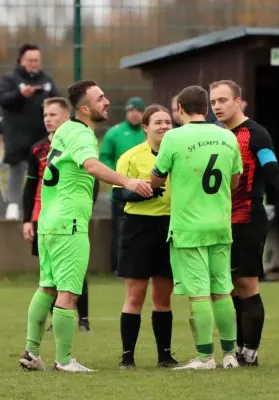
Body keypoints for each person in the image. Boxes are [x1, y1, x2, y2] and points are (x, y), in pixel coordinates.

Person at [18, 80, 152, 373]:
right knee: (68, 293)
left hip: (49, 221)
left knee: (47, 287)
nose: (106, 102)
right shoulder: (80, 133)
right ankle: (64, 361)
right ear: (84, 108)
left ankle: (32, 352)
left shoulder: (64, 130)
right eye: (100, 98)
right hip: (69, 223)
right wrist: (128, 180)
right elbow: (91, 166)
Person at [209, 80, 279, 366]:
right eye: (213, 101)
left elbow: (272, 169)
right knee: (226, 287)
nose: (217, 106)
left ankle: (250, 353)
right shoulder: (215, 136)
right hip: (218, 221)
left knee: (246, 285)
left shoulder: (256, 134)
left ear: (238, 101)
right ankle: (239, 348)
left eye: (222, 100)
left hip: (246, 218)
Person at [150, 85, 243, 370]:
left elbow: (156, 179)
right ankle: (230, 355)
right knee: (223, 290)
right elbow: (235, 181)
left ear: (179, 109)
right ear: (206, 107)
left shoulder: (174, 138)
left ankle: (205, 357)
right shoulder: (228, 136)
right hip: (220, 225)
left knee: (200, 294)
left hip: (189, 228)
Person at [21, 97, 96, 333]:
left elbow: (91, 183)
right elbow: (30, 186)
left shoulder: (70, 140)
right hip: (53, 216)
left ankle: (81, 318)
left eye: (52, 115)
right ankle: (60, 343)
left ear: (66, 116)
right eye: (45, 115)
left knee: (57, 280)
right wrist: (26, 219)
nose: (47, 120)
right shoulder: (40, 148)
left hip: (56, 217)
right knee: (53, 279)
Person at [114, 104, 179, 369]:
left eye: (168, 122)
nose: (164, 126)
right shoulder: (130, 157)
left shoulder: (178, 154)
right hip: (138, 228)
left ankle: (165, 356)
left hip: (170, 226)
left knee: (163, 297)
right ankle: (127, 357)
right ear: (145, 127)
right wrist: (139, 192)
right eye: (158, 122)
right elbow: (117, 194)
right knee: (135, 295)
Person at [0, 43, 60, 221]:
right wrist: (21, 94)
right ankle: (13, 205)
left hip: (41, 134)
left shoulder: (46, 80)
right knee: (17, 169)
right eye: (30, 60)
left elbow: (58, 99)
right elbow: (2, 98)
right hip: (17, 133)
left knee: (44, 170)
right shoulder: (10, 79)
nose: (34, 63)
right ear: (21, 61)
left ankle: (42, 205)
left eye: (37, 60)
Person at [99, 96, 146, 275]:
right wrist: (117, 176)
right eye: (131, 110)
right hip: (122, 191)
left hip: (145, 190)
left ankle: (142, 269)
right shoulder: (114, 133)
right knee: (121, 231)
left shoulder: (147, 133)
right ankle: (119, 268)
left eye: (138, 111)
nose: (134, 114)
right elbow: (104, 157)